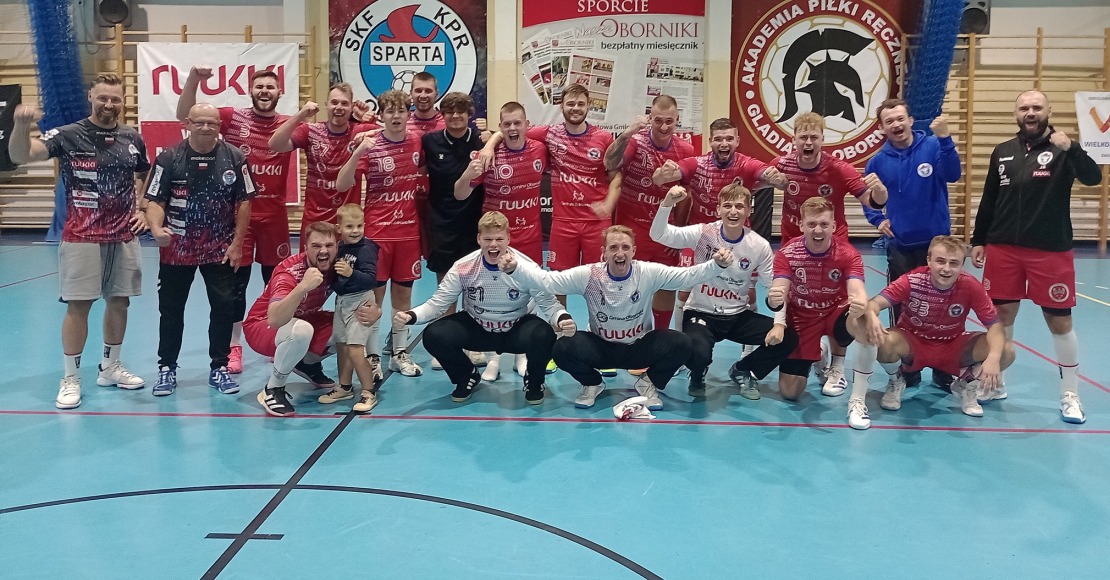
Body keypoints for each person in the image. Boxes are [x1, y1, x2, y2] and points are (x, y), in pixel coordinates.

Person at [7, 74, 150, 409]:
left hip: (123, 236)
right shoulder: (68, 134)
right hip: (82, 236)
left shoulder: (132, 137)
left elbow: (144, 171)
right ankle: (70, 377)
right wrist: (21, 125)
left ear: (123, 100)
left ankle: (110, 367)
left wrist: (142, 206)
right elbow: (21, 155)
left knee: (120, 302)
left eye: (115, 99)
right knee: (79, 306)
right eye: (103, 98)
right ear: (91, 97)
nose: (109, 104)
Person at [971, 89, 1102, 424]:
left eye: (1036, 107)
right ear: (1016, 113)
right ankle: (995, 382)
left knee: (1059, 322)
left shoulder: (1063, 148)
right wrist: (979, 239)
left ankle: (1070, 394)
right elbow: (989, 198)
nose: (1030, 112)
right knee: (1000, 317)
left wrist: (1072, 148)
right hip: (1003, 247)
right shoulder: (1002, 151)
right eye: (1024, 108)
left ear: (1048, 111)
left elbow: (1093, 178)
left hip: (1050, 250)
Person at [499, 225, 735, 411]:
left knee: (683, 343)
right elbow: (548, 281)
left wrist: (716, 265)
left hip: (639, 347)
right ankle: (592, 383)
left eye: (625, 247)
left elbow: (687, 276)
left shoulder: (648, 272)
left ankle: (648, 382)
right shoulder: (589, 275)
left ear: (633, 251)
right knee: (562, 348)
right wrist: (515, 269)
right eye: (613, 248)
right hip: (601, 348)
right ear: (604, 253)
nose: (619, 253)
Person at [480, 83, 618, 374]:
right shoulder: (549, 134)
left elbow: (616, 175)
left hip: (596, 224)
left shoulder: (604, 137)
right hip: (563, 223)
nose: (575, 109)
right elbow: (509, 128)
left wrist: (608, 204)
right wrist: (490, 144)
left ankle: (602, 344)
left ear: (589, 106)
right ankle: (558, 343)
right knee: (556, 284)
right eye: (570, 104)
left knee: (600, 284)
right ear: (561, 106)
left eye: (580, 104)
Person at [177, 66, 295, 376]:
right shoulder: (232, 118)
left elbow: (334, 130)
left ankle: (275, 338)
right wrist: (194, 80)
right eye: (260, 86)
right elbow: (185, 114)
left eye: (270, 87)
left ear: (279, 92)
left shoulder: (289, 123)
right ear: (250, 91)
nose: (265, 91)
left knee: (277, 283)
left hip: (275, 219)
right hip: (238, 219)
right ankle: (234, 346)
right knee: (236, 287)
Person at [395, 212, 568, 404]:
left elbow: (549, 303)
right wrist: (411, 315)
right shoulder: (463, 267)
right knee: (434, 335)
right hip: (478, 328)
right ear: (479, 239)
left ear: (508, 239)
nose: (493, 244)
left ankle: (534, 382)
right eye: (488, 239)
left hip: (516, 329)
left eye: (499, 239)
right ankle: (466, 376)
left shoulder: (526, 267)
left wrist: (562, 318)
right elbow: (438, 303)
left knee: (545, 335)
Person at [843, 236, 1015, 429]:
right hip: (913, 344)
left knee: (1006, 350)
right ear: (929, 261)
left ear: (962, 266)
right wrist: (872, 314)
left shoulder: (970, 286)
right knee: (881, 339)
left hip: (952, 345)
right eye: (940, 261)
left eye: (954, 263)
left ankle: (967, 383)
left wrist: (993, 357)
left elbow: (995, 326)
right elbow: (874, 303)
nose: (946, 269)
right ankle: (896, 380)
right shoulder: (912, 280)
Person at [143, 103, 253, 397]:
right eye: (200, 122)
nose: (206, 128)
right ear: (188, 124)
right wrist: (156, 228)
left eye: (212, 123)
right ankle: (167, 368)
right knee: (171, 310)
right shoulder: (168, 158)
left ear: (219, 126)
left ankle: (219, 367)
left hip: (219, 249)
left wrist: (237, 244)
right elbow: (155, 200)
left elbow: (244, 202)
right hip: (177, 250)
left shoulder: (235, 157)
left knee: (223, 308)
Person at [773, 112, 888, 392]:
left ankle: (838, 365)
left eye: (814, 137)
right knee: (798, 301)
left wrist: (880, 193)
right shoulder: (782, 166)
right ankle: (813, 349)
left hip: (832, 247)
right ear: (794, 139)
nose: (808, 142)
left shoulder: (838, 168)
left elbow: (871, 201)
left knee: (839, 302)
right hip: (794, 245)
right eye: (803, 137)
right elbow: (750, 183)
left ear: (823, 139)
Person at [650, 184, 797, 399]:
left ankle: (744, 370)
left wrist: (779, 323)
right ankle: (697, 374)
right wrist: (666, 204)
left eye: (739, 206)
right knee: (696, 351)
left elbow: (774, 288)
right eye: (727, 206)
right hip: (701, 312)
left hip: (737, 316)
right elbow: (658, 234)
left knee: (788, 338)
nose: (733, 211)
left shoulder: (759, 245)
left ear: (749, 211)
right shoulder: (703, 233)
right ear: (718, 209)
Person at [651, 117, 788, 330]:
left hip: (737, 239)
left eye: (729, 139)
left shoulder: (746, 164)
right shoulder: (697, 164)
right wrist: (663, 173)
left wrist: (777, 178)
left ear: (737, 141)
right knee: (685, 291)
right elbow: (660, 179)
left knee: (749, 293)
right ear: (711, 141)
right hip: (701, 238)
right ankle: (681, 339)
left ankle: (747, 344)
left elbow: (775, 179)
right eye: (718, 139)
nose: (724, 143)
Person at [862, 99, 961, 390]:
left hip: (938, 246)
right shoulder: (877, 162)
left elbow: (954, 175)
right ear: (882, 128)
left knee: (944, 307)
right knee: (902, 308)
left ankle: (944, 367)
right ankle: (909, 366)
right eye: (889, 121)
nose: (896, 124)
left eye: (899, 118)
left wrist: (946, 139)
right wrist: (877, 219)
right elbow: (868, 198)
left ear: (910, 120)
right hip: (902, 246)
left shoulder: (932, 145)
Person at [244, 222, 382, 417]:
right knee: (301, 331)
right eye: (316, 246)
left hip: (305, 318)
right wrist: (302, 287)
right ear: (305, 248)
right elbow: (274, 319)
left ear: (337, 246)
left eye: (329, 245)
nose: (323, 251)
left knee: (350, 325)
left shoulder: (338, 265)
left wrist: (376, 310)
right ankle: (273, 389)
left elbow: (368, 282)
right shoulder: (289, 272)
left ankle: (306, 364)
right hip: (262, 325)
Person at [336, 89, 424, 377]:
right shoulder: (370, 145)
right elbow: (341, 184)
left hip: (408, 234)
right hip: (377, 235)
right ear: (382, 115)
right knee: (372, 299)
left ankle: (399, 353)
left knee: (403, 299)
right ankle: (372, 357)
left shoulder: (416, 140)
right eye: (390, 111)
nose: (396, 116)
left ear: (408, 115)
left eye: (401, 111)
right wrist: (358, 151)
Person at [455, 101, 547, 378]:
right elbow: (459, 193)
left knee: (526, 294)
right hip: (496, 241)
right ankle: (495, 357)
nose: (512, 128)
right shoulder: (487, 157)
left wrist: (492, 137)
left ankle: (521, 354)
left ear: (527, 125)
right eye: (506, 124)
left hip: (529, 237)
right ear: (501, 126)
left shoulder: (540, 148)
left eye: (517, 123)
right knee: (495, 298)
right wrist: (469, 172)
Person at [603, 95, 695, 336]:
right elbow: (609, 162)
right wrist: (627, 133)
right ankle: (628, 336)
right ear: (649, 118)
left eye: (669, 121)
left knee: (666, 284)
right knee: (627, 285)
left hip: (664, 231)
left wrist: (679, 235)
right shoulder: (636, 142)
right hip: (632, 230)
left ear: (677, 120)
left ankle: (660, 338)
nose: (663, 127)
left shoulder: (685, 149)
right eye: (658, 120)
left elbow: (686, 195)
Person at [767, 197, 868, 402]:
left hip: (834, 311)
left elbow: (857, 289)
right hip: (803, 316)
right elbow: (780, 288)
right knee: (790, 392)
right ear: (801, 225)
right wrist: (774, 299)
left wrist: (861, 301)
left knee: (860, 318)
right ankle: (819, 352)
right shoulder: (787, 253)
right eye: (812, 224)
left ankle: (838, 367)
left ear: (834, 226)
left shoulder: (848, 253)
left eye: (824, 224)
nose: (818, 230)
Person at [268, 82, 378, 239]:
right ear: (327, 105)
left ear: (352, 107)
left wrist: (371, 120)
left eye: (344, 103)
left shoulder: (361, 131)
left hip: (347, 223)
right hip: (315, 220)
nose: (338, 107)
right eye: (334, 102)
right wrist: (301, 114)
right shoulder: (311, 131)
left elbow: (394, 133)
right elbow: (274, 144)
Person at [315, 204, 382, 413]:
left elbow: (372, 279)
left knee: (355, 349)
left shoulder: (366, 249)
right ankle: (344, 386)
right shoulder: (340, 248)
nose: (355, 231)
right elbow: (336, 278)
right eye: (350, 226)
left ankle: (368, 391)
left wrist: (351, 273)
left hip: (361, 301)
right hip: (342, 302)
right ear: (339, 228)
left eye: (359, 226)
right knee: (342, 346)